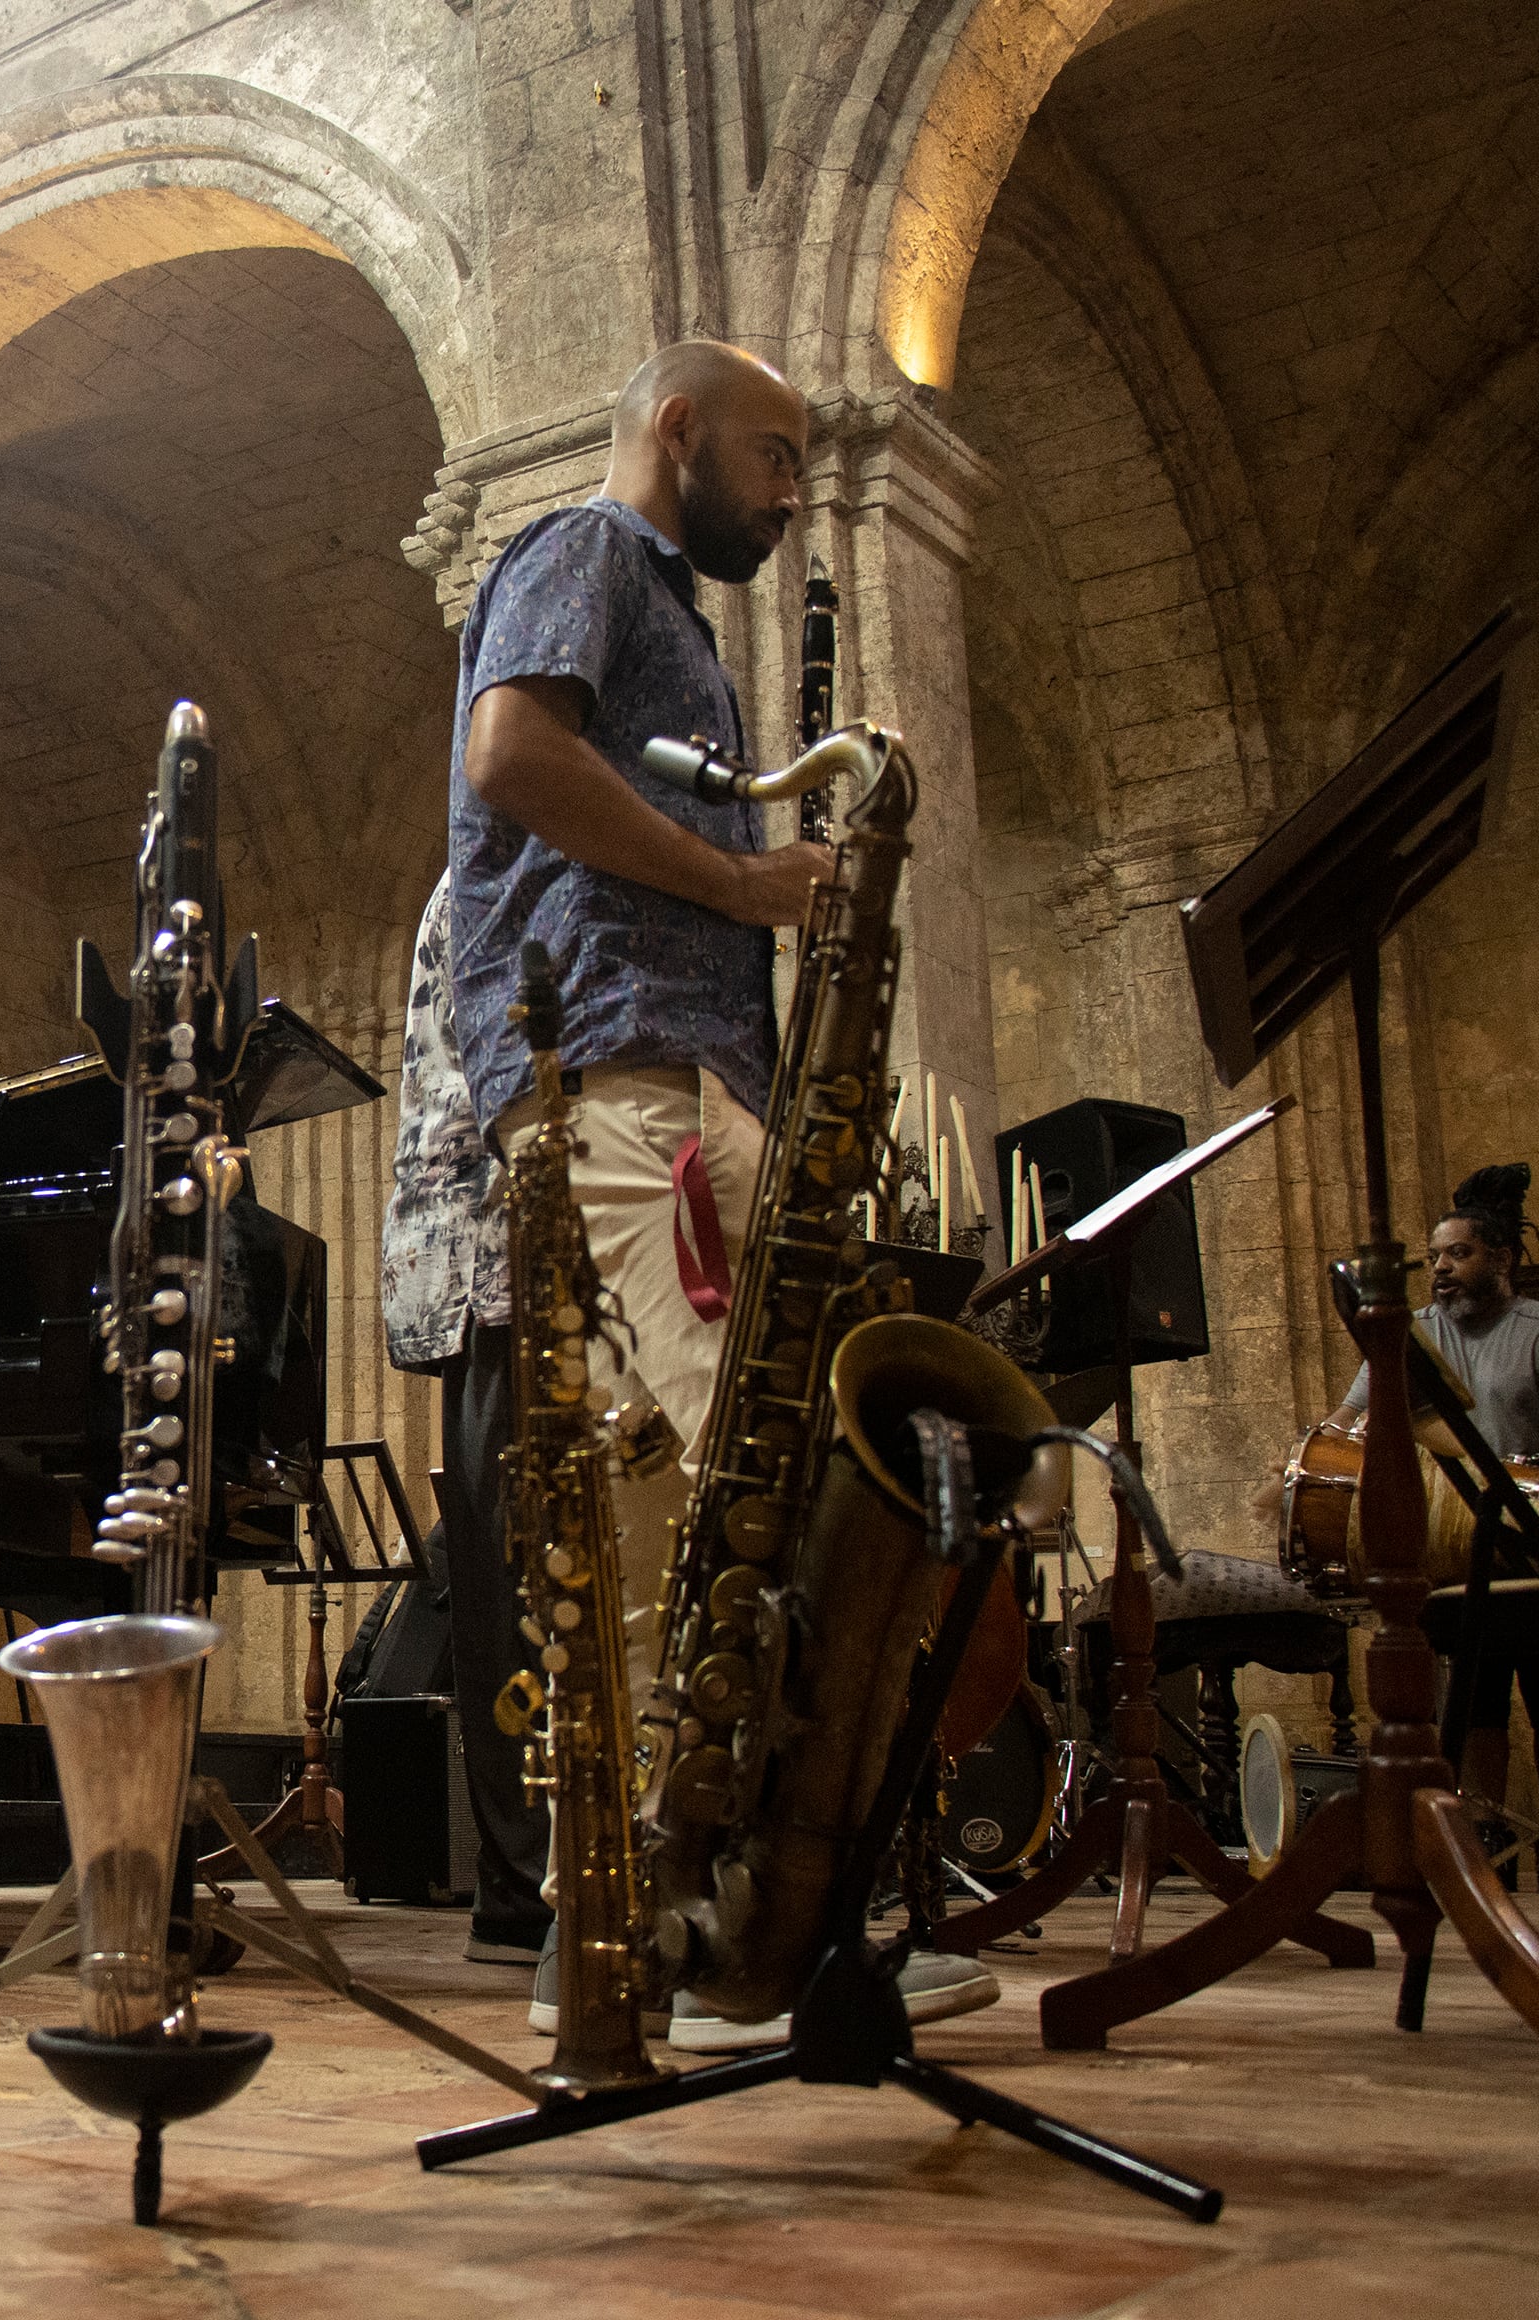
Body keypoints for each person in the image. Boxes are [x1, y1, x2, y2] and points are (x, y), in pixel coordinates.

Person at [448, 338, 990, 2047]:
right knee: (676, 1501)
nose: (790, 491)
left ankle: (698, 1921)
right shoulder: (587, 553)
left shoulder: (674, 616)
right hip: (626, 1074)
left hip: (681, 1081)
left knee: (704, 1503)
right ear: (674, 428)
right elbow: (512, 754)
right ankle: (653, 1933)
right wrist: (748, 885)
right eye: (771, 454)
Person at [1333, 1163, 1539, 1894]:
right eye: (1434, 1256)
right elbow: (1349, 1425)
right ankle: (1489, 1826)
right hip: (1451, 1550)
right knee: (1476, 1701)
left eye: (1458, 1254)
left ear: (1500, 1259)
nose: (1440, 1269)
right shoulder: (1409, 1338)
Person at [380, 868, 548, 1966]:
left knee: (509, 1589)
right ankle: (530, 1887)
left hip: (514, 1257)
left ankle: (528, 1886)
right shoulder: (500, 867)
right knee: (510, 1595)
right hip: (512, 1255)